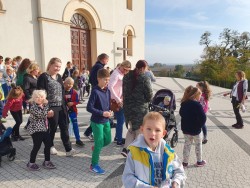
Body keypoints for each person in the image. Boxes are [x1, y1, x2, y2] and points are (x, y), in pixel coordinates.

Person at [122, 111, 186, 188]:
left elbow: (179, 171)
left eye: (157, 130)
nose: (152, 133)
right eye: (148, 129)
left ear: (163, 133)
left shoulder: (169, 152)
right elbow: (127, 178)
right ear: (142, 130)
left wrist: (176, 182)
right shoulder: (134, 152)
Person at [37, 57, 77, 156]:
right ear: (50, 65)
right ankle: (50, 146)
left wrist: (65, 106)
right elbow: (40, 94)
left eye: (59, 67)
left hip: (61, 106)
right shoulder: (43, 77)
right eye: (56, 66)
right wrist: (46, 108)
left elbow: (62, 92)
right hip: (50, 107)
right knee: (52, 128)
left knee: (64, 127)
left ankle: (68, 149)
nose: (58, 68)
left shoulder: (59, 76)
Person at [121, 60, 153, 157]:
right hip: (140, 110)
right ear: (143, 68)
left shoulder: (126, 76)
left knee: (132, 129)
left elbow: (124, 92)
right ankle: (136, 154)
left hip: (128, 108)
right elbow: (149, 95)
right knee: (139, 131)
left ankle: (126, 149)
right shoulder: (145, 78)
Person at [87, 68, 112, 174]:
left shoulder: (108, 91)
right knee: (99, 142)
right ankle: (93, 165)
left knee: (108, 140)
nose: (107, 82)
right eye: (105, 79)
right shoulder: (95, 91)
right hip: (97, 122)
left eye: (108, 80)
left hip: (106, 120)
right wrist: (102, 113)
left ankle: (96, 148)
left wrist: (109, 111)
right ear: (98, 79)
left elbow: (107, 104)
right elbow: (89, 107)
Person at [27, 90, 56, 171]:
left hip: (44, 129)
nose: (39, 98)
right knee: (37, 146)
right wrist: (47, 108)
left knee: (48, 144)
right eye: (37, 97)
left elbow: (47, 114)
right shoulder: (33, 107)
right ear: (33, 98)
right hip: (36, 130)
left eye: (41, 97)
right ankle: (31, 162)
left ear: (45, 97)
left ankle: (47, 161)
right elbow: (42, 115)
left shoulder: (44, 105)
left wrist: (50, 113)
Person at [179, 85, 207, 168]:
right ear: (195, 95)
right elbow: (203, 118)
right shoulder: (197, 105)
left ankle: (185, 163)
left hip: (186, 129)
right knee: (198, 146)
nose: (200, 97)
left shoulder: (184, 103)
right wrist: (199, 126)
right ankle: (199, 161)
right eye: (200, 95)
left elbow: (181, 114)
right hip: (196, 130)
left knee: (187, 145)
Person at [84, 53, 109, 140]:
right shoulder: (100, 67)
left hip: (97, 88)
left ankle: (88, 132)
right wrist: (99, 87)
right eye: (107, 60)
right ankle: (90, 133)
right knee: (98, 115)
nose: (107, 61)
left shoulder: (95, 66)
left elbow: (90, 79)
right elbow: (89, 108)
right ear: (103, 59)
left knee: (99, 115)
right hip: (98, 90)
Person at [108, 60, 131, 146]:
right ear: (121, 66)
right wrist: (118, 99)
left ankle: (117, 137)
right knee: (121, 120)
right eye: (124, 69)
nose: (125, 71)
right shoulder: (116, 74)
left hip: (119, 99)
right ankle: (119, 140)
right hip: (116, 101)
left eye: (127, 70)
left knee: (120, 120)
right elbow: (110, 87)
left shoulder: (120, 73)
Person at [64, 77, 84, 147]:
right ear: (64, 83)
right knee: (65, 126)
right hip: (64, 112)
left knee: (75, 125)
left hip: (72, 111)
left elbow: (77, 101)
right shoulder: (61, 92)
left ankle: (78, 139)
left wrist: (73, 103)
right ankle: (66, 140)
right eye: (68, 83)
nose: (70, 85)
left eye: (71, 84)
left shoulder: (74, 92)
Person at [23, 62, 40, 129]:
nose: (38, 71)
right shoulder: (27, 78)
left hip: (37, 97)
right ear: (32, 70)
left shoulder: (35, 76)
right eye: (36, 70)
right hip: (32, 98)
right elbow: (26, 89)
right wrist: (29, 98)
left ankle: (28, 125)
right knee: (34, 112)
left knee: (35, 112)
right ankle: (31, 126)